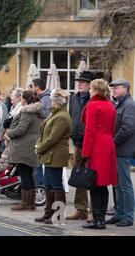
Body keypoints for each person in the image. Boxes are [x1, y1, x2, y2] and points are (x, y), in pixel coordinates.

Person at [79, 79, 117, 229]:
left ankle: (97, 220)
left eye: (91, 88)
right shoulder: (110, 105)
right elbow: (113, 129)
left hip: (97, 148)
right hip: (108, 145)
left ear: (96, 90)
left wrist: (85, 153)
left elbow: (89, 132)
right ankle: (100, 220)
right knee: (103, 185)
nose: (89, 90)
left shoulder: (93, 105)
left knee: (95, 185)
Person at [34, 89, 71, 224]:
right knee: (48, 185)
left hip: (56, 154)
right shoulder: (54, 113)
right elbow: (44, 134)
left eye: (52, 99)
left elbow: (52, 138)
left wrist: (39, 148)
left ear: (57, 101)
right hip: (49, 154)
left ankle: (59, 215)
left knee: (56, 186)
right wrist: (39, 145)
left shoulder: (62, 116)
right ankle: (48, 214)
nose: (51, 101)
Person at [4, 90, 44, 211]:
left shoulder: (27, 112)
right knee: (29, 174)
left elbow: (21, 129)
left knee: (25, 174)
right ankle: (30, 203)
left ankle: (26, 203)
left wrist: (8, 134)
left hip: (24, 148)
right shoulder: (35, 112)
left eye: (21, 98)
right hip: (30, 146)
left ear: (24, 100)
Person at [106, 78, 135, 227]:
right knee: (117, 184)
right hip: (116, 150)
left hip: (122, 150)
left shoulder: (129, 105)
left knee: (125, 185)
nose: (113, 90)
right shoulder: (119, 104)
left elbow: (127, 128)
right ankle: (119, 214)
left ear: (125, 89)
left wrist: (113, 142)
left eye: (116, 88)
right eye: (113, 88)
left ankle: (128, 216)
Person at [66, 71, 94, 221]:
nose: (80, 83)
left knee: (92, 177)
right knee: (79, 177)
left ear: (90, 84)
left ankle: (94, 211)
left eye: (83, 81)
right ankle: (81, 209)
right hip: (77, 143)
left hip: (91, 144)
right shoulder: (74, 98)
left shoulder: (94, 100)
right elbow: (71, 117)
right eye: (79, 81)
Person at [31, 78, 52, 187]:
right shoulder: (43, 98)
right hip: (42, 136)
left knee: (39, 163)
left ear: (37, 87)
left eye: (32, 86)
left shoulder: (46, 99)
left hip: (44, 137)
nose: (31, 88)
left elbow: (47, 119)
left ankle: (40, 187)